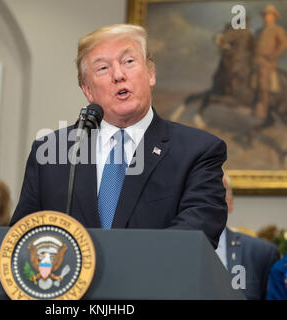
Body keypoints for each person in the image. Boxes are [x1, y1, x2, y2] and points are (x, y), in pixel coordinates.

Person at [11, 24, 227, 249]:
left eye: (128, 62)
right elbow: (23, 238)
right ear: (88, 90)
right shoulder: (51, 153)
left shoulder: (198, 151)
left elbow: (196, 234)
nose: (118, 75)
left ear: (150, 74)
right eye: (103, 68)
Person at [216, 173, 280, 300]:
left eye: (218, 194)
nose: (209, 202)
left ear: (230, 203)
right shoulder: (173, 250)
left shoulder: (261, 253)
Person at [254, 5, 287, 123]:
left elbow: (284, 44)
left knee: (263, 80)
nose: (266, 17)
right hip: (255, 59)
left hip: (267, 62)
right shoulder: (259, 30)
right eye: (265, 15)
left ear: (274, 17)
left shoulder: (278, 30)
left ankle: (262, 108)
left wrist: (273, 55)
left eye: (269, 15)